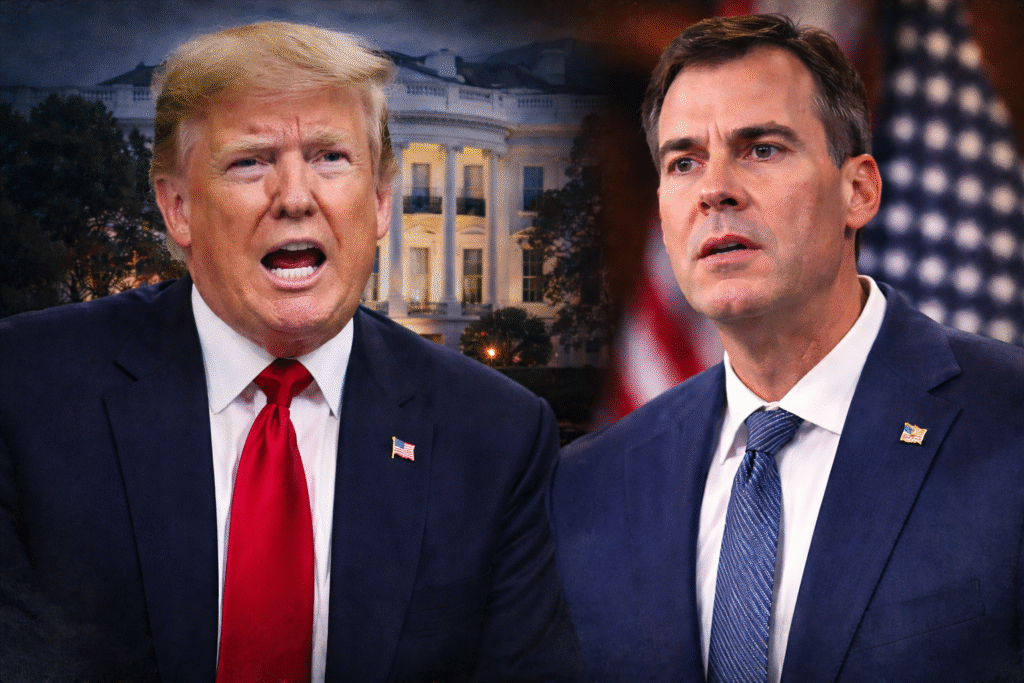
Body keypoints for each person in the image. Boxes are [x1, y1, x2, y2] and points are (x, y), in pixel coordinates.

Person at [0, 21, 579, 682]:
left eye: (331, 157)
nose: (297, 198)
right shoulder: (26, 391)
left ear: (383, 201)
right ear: (177, 206)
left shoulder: (496, 436)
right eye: (251, 160)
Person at [550, 14, 1024, 683]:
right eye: (684, 161)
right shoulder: (590, 485)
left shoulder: (1009, 424)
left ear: (858, 191)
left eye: (762, 149)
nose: (714, 189)